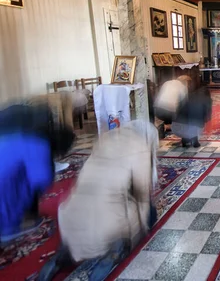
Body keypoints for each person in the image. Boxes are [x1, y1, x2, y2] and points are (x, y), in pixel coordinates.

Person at [38, 120, 158, 281]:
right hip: (106, 223)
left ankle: (58, 261)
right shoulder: (140, 148)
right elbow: (142, 193)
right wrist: (142, 226)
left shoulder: (106, 139)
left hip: (71, 215)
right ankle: (109, 258)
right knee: (149, 213)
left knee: (77, 241)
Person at [0, 103, 75, 243]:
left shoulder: (19, 133)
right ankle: (8, 227)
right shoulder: (39, 144)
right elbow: (40, 181)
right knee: (30, 181)